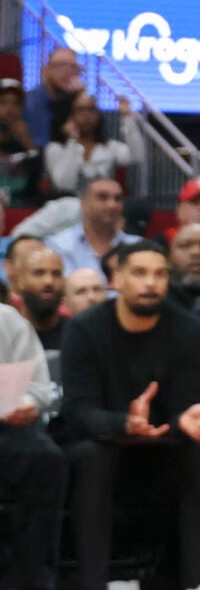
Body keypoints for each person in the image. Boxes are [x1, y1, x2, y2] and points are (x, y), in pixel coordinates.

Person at [60, 241, 200, 590]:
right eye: (140, 273)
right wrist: (124, 425)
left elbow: (188, 406)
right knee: (92, 456)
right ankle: (93, 583)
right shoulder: (84, 329)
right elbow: (76, 411)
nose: (151, 283)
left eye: (160, 274)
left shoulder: (192, 331)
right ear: (116, 278)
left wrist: (187, 422)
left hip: (165, 452)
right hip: (106, 448)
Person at [0, 241, 64, 590]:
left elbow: (40, 387)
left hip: (6, 426)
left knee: (46, 458)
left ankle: (31, 580)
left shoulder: (8, 320)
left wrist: (26, 402)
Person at [46, 178, 127, 279]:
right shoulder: (58, 246)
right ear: (83, 203)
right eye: (102, 197)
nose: (112, 205)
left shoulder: (137, 247)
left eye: (117, 199)